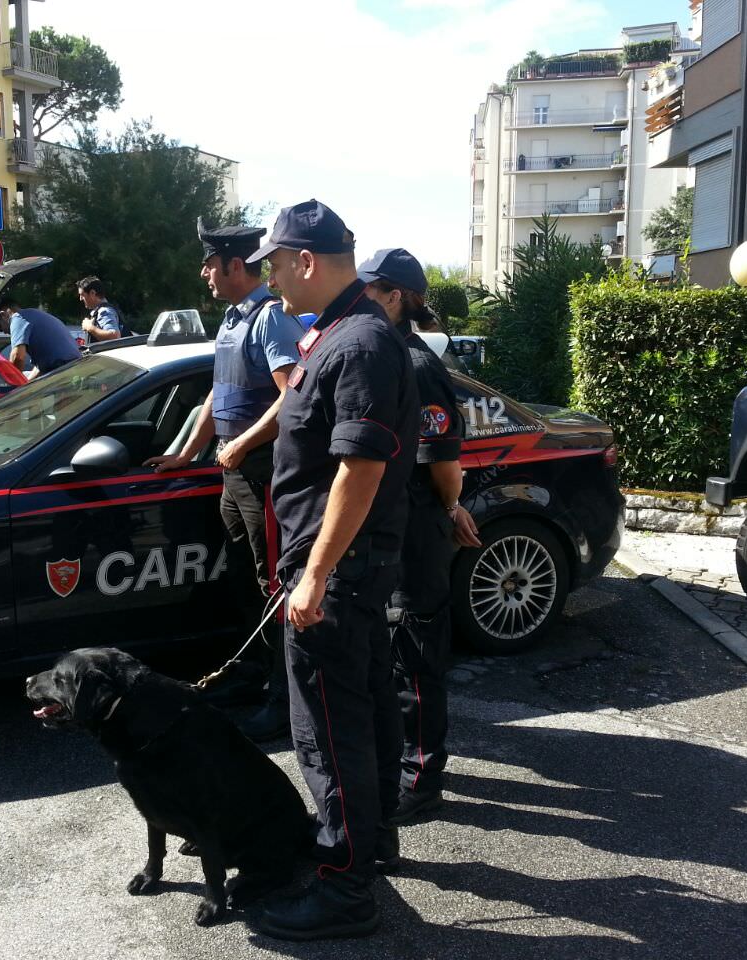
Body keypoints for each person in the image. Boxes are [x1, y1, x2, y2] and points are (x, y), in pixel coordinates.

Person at [245, 200, 418, 941]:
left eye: (275, 265)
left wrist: (313, 574)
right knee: (369, 711)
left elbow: (359, 469)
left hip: (334, 576)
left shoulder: (357, 345)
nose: (271, 282)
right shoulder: (341, 335)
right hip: (345, 569)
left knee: (329, 730)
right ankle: (371, 847)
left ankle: (345, 888)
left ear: (306, 261)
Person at [145, 220, 305, 741]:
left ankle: (284, 704)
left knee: (273, 589)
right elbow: (218, 395)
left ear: (237, 266)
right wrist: (186, 452)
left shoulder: (270, 321)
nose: (204, 272)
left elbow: (291, 400)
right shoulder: (233, 320)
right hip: (235, 477)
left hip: (263, 475)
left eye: (211, 263)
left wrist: (240, 444)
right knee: (244, 582)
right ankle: (254, 677)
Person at [359, 248, 482, 825]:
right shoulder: (380, 356)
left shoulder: (415, 365)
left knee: (415, 654)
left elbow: (443, 459)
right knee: (391, 650)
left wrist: (452, 505)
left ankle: (422, 778)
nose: (360, 296)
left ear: (397, 297)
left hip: (414, 527)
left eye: (372, 288)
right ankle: (400, 762)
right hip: (387, 527)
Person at [0, 296, 80, 379]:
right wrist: (27, 383)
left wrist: (13, 384)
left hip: (62, 370)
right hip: (74, 366)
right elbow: (42, 366)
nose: (3, 331)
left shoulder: (17, 318)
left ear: (3, 315)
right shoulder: (33, 314)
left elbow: (18, 357)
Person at [77, 276, 129, 342]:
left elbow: (114, 336)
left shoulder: (104, 311)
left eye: (82, 295)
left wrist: (89, 327)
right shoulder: (102, 311)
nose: (80, 299)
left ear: (92, 293)